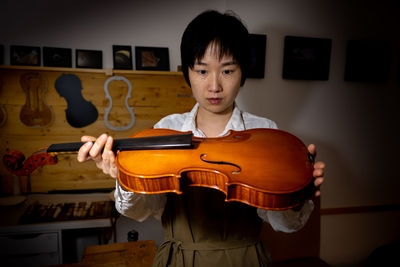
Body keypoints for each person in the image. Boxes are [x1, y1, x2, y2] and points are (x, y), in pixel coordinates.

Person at [77, 10, 325, 267]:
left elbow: (285, 225)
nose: (214, 85)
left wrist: (297, 196)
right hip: (179, 260)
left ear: (242, 72)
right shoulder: (166, 128)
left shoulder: (264, 131)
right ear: (188, 72)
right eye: (202, 71)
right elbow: (141, 209)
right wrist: (124, 177)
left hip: (245, 260)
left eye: (227, 71)